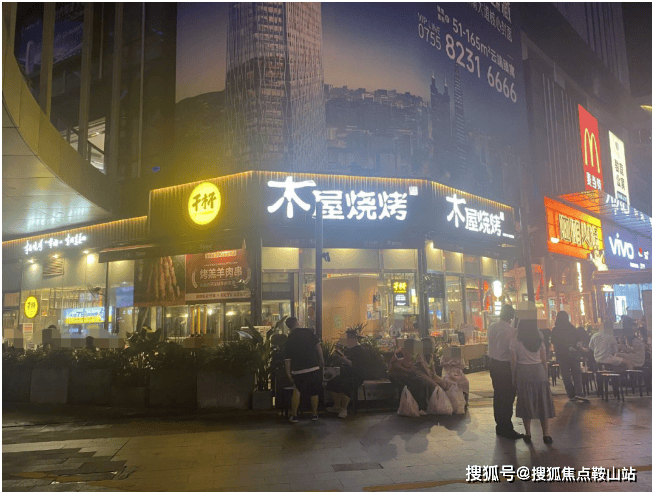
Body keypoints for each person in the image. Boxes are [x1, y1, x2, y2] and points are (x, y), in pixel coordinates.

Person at [510, 319, 556, 444]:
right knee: (543, 402)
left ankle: (528, 433)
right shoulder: (539, 341)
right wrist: (546, 375)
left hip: (523, 373)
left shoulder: (515, 341)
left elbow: (513, 361)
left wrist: (514, 375)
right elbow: (544, 360)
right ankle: (545, 434)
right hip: (539, 372)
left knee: (526, 402)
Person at [487, 304, 523, 440]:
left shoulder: (492, 327)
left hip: (493, 364)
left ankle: (500, 426)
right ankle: (507, 427)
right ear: (512, 316)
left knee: (498, 396)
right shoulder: (512, 331)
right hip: (505, 366)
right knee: (508, 397)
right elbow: (512, 350)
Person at [388, 338, 447, 412]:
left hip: (407, 374)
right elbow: (397, 367)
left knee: (424, 382)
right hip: (397, 375)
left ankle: (426, 405)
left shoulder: (414, 353)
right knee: (421, 383)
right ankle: (422, 407)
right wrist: (410, 370)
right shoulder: (401, 352)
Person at [284, 317, 324, 423]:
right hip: (313, 366)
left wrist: (288, 373)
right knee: (314, 392)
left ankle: (294, 416)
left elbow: (287, 359)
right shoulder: (308, 332)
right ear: (297, 322)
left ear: (289, 327)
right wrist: (321, 359)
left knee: (297, 390)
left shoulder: (290, 338)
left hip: (298, 369)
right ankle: (314, 414)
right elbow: (318, 347)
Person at [325, 329, 365, 419]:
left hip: (356, 376)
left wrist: (343, 359)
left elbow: (354, 365)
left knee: (344, 385)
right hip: (347, 374)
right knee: (331, 383)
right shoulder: (350, 349)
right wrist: (342, 356)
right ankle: (337, 406)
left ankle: (344, 409)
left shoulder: (359, 350)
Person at [551, 311, 589, 402]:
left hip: (561, 354)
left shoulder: (555, 330)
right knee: (576, 373)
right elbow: (577, 339)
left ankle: (570, 393)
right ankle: (578, 392)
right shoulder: (571, 328)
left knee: (565, 374)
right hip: (572, 353)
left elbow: (553, 342)